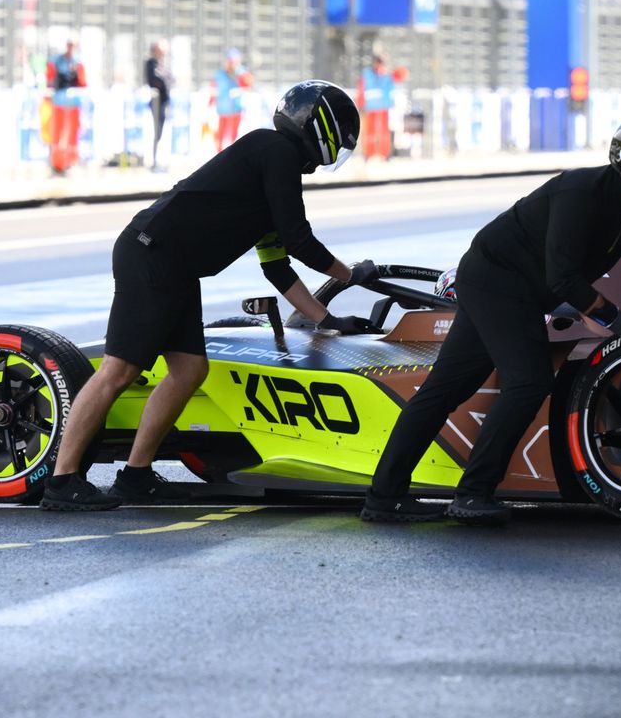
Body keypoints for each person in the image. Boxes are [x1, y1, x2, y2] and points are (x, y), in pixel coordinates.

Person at [363, 110, 621, 525]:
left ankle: (383, 499)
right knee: (528, 381)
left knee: (445, 390)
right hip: (498, 282)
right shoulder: (582, 193)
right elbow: (564, 279)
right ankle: (470, 494)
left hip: (512, 286)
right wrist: (620, 321)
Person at [43, 81, 376, 511]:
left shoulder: (275, 169)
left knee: (189, 370)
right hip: (152, 254)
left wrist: (326, 319)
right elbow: (299, 240)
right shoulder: (275, 151)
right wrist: (352, 275)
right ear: (319, 125)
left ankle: (136, 476)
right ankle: (62, 480)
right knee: (119, 370)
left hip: (173, 264)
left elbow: (277, 265)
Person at [48, 41, 86, 176]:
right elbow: (51, 81)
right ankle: (57, 164)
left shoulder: (78, 63)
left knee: (72, 135)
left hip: (73, 104)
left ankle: (69, 163)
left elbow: (82, 83)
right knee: (58, 135)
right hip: (59, 103)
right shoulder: (57, 62)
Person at [358, 49, 396, 162]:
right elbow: (361, 89)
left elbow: (392, 88)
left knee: (384, 132)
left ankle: (385, 154)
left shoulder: (387, 76)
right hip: (370, 108)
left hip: (384, 108)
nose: (380, 64)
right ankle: (368, 154)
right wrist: (360, 104)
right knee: (369, 132)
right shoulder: (367, 74)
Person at [213, 48, 251, 152]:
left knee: (235, 136)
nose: (231, 65)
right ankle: (219, 154)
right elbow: (213, 89)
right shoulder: (219, 75)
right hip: (222, 111)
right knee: (220, 135)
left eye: (234, 62)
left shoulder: (242, 73)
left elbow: (249, 85)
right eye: (230, 62)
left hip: (236, 111)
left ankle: (233, 154)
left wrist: (239, 73)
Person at [144, 41, 174, 172]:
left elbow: (171, 79)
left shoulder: (163, 65)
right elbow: (156, 80)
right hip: (156, 103)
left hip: (164, 102)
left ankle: (161, 161)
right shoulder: (151, 64)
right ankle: (154, 161)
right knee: (156, 132)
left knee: (163, 132)